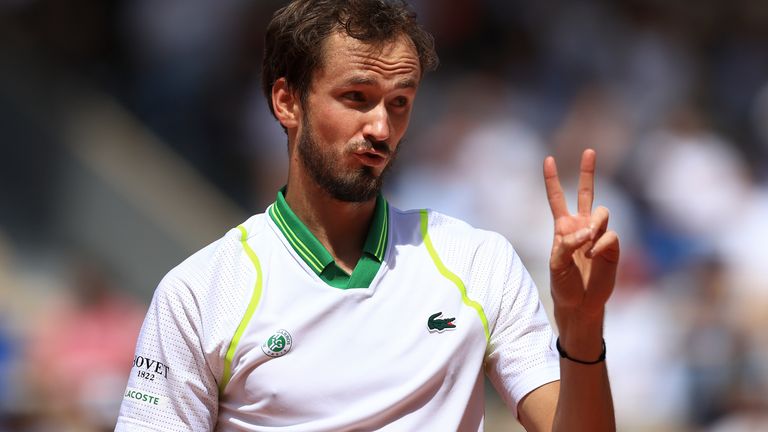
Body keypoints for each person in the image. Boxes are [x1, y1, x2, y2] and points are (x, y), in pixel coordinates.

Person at [115, 0, 619, 430]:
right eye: (356, 97)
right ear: (287, 101)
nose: (381, 126)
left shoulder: (478, 263)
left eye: (399, 102)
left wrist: (582, 323)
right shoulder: (198, 294)